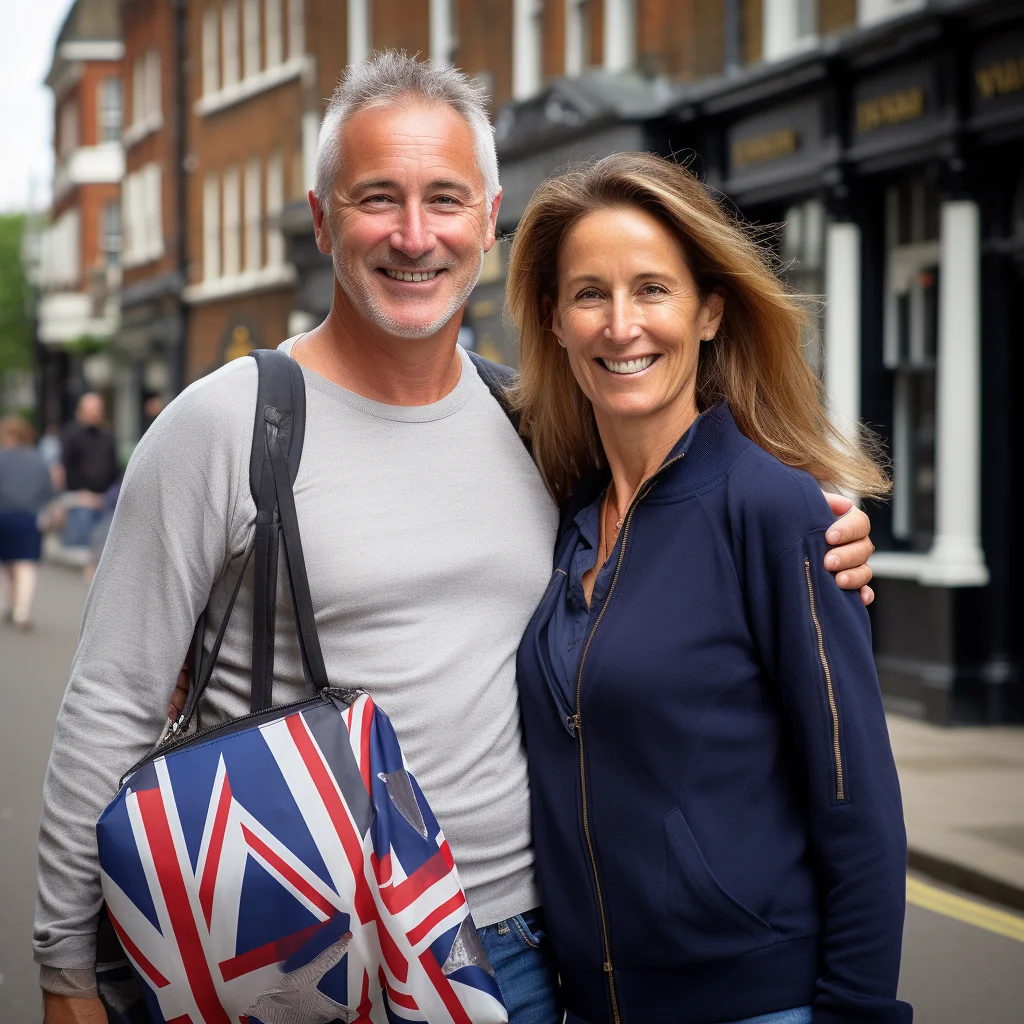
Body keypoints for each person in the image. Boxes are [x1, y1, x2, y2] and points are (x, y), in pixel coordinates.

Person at [34, 54, 875, 1024]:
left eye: (443, 199)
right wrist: (66, 974)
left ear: (487, 218)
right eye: (376, 199)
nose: (412, 235)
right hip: (297, 955)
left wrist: (817, 525)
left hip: (516, 956)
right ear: (320, 220)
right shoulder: (224, 424)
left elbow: (677, 489)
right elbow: (109, 703)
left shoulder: (531, 424)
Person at [509, 153, 910, 1024]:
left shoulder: (776, 512)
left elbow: (860, 812)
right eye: (589, 295)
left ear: (709, 311)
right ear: (554, 319)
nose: (622, 326)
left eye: (653, 289)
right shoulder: (564, 511)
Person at [0, 415, 55, 629]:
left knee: (8, 564)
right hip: (29, 518)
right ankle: (22, 610)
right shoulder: (38, 461)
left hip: (3, 516)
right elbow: (49, 492)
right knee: (26, 565)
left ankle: (11, 603)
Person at [60, 393, 119, 548]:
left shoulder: (108, 436)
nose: (94, 413)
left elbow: (114, 467)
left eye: (97, 409)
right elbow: (64, 468)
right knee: (81, 551)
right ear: (81, 412)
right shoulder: (71, 435)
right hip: (81, 502)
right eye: (90, 409)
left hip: (104, 501)